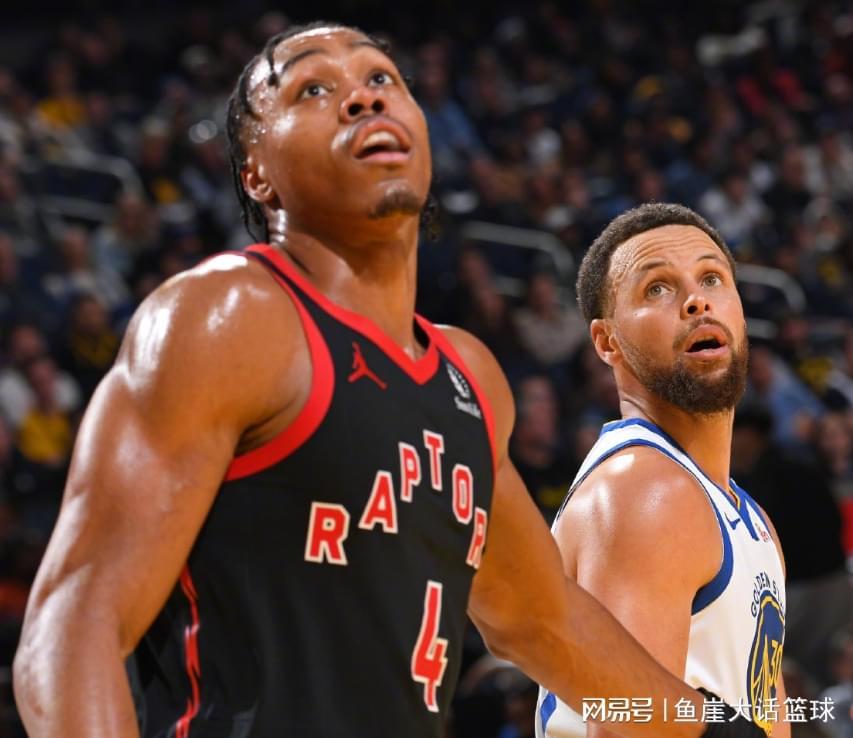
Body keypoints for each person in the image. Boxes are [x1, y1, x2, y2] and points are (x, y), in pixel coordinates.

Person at [14, 25, 767, 738]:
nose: (361, 96)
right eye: (312, 89)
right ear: (255, 173)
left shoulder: (468, 377)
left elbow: (544, 622)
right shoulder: (229, 317)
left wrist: (707, 727)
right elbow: (76, 623)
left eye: (382, 78)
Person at [536, 203, 789, 738]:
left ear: (742, 313)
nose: (697, 300)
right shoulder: (645, 492)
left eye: (712, 278)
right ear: (606, 342)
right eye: (657, 288)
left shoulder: (751, 519)